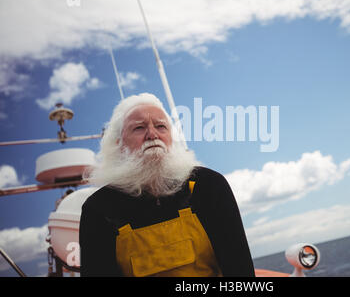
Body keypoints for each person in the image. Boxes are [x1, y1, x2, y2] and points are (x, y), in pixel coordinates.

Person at [79, 93, 255, 277]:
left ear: (171, 138)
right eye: (139, 128)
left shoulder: (208, 186)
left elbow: (240, 269)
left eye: (161, 126)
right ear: (119, 145)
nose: (152, 134)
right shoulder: (99, 209)